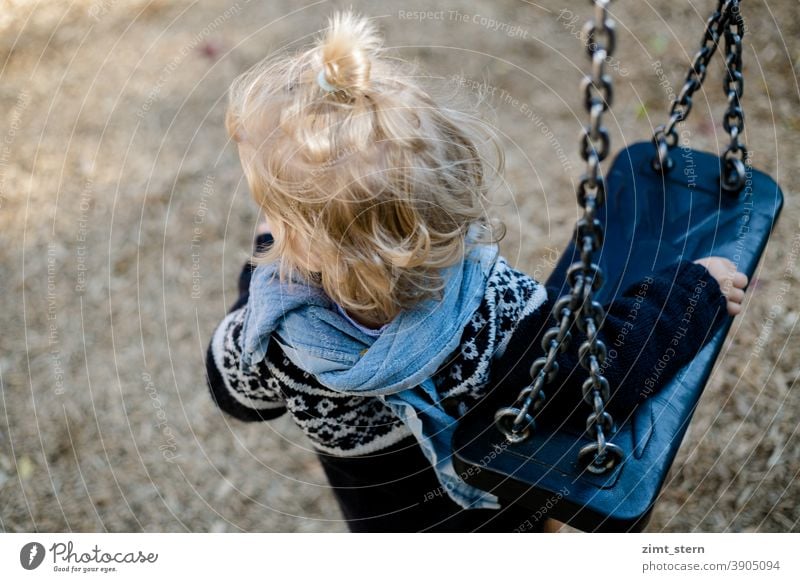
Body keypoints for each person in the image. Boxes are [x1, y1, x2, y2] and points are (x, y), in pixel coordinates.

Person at [204, 11, 748, 532]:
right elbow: (601, 371)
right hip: (503, 517)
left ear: (301, 241)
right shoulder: (492, 311)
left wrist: (259, 285)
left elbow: (236, 394)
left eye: (272, 212)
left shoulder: (276, 336)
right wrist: (691, 292)